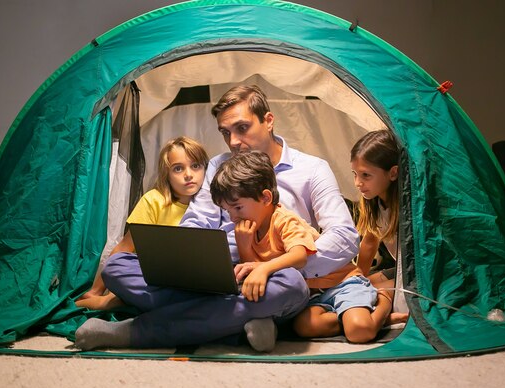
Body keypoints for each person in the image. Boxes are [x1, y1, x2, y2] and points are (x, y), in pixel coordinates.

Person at [74, 84, 358, 352]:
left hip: (273, 276)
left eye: (242, 128)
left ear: (268, 120)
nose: (234, 141)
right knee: (118, 267)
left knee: (291, 286)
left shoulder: (311, 170)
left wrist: (266, 267)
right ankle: (241, 323)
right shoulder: (218, 166)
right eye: (225, 132)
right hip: (214, 276)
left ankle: (134, 332)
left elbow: (344, 238)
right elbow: (196, 222)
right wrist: (193, 264)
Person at [293, 129, 408, 343]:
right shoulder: (373, 202)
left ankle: (381, 308)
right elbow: (369, 243)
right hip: (394, 269)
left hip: (409, 273)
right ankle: (356, 315)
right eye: (355, 174)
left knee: (376, 289)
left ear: (393, 173)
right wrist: (358, 278)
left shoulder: (405, 208)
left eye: (366, 175)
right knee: (365, 284)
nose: (357, 183)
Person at [75, 136, 209, 310]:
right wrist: (96, 290)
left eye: (195, 166)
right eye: (178, 169)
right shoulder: (154, 200)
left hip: (189, 279)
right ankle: (109, 301)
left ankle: (131, 302)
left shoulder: (213, 205)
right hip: (149, 274)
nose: (188, 175)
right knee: (119, 269)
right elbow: (124, 248)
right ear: (166, 175)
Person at [209, 150, 320, 350]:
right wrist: (244, 246)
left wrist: (264, 269)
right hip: (270, 288)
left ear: (266, 198)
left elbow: (299, 256)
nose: (233, 217)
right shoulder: (251, 227)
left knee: (286, 286)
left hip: (315, 291)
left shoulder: (284, 220)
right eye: (228, 211)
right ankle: (264, 324)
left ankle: (260, 322)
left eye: (238, 208)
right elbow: (252, 268)